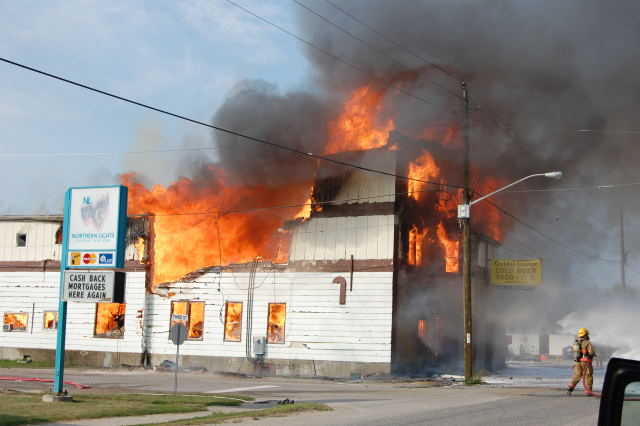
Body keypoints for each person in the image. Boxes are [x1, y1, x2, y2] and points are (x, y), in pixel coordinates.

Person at [566, 327, 596, 396]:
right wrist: (592, 355)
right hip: (585, 362)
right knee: (588, 376)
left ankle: (570, 387)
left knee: (577, 375)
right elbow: (591, 352)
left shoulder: (576, 343)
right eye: (587, 334)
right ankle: (588, 391)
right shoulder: (587, 342)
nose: (588, 335)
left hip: (577, 362)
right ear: (585, 335)